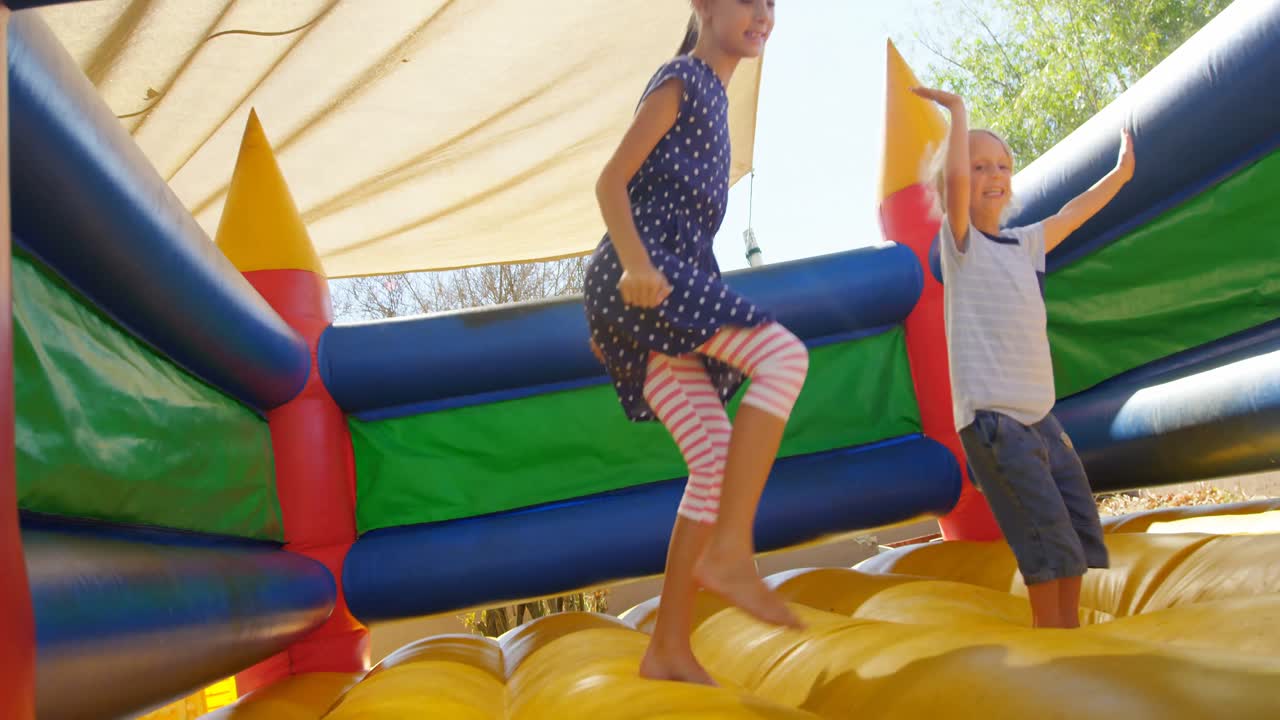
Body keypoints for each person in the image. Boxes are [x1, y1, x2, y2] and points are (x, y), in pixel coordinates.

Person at [583, 0, 805, 684]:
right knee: (783, 355)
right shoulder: (683, 79)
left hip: (655, 286)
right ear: (704, 6)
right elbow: (610, 180)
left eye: (771, 4)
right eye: (747, 0)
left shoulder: (717, 106)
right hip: (642, 273)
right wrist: (635, 266)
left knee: (711, 460)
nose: (763, 13)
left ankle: (669, 646)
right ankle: (731, 550)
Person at [912, 85, 1137, 628]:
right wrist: (960, 114)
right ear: (954, 183)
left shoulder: (1025, 244)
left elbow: (1074, 212)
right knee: (1048, 541)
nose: (994, 175)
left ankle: (1067, 633)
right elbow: (958, 182)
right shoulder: (961, 245)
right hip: (995, 422)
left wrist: (1121, 174)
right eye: (979, 166)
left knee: (1081, 532)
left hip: (1040, 418)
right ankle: (1053, 640)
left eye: (1004, 166)